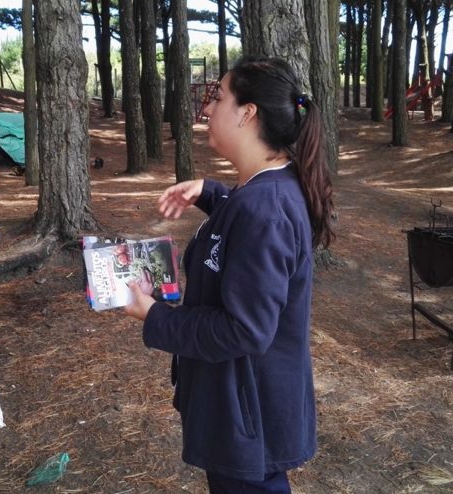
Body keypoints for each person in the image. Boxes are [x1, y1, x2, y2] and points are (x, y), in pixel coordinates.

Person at [124, 56, 335, 493]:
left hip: (248, 415)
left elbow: (245, 330)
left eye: (218, 98)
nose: (207, 108)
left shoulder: (265, 209)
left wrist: (155, 316)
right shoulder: (265, 189)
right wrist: (210, 192)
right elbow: (245, 232)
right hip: (242, 404)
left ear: (247, 113)